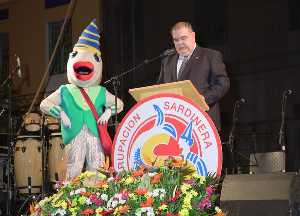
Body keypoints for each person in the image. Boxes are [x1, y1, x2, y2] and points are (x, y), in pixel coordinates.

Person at [158, 21, 230, 130]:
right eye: (176, 40)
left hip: (203, 123)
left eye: (183, 38)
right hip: (174, 124)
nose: (180, 43)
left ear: (193, 36)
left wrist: (203, 99)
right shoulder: (167, 60)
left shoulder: (210, 56)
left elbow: (223, 84)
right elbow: (160, 87)